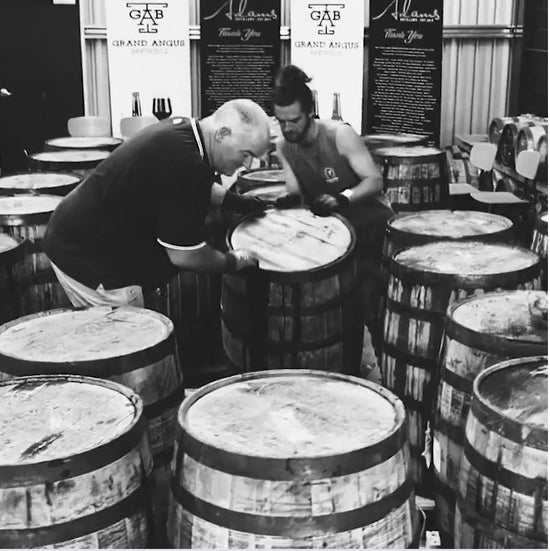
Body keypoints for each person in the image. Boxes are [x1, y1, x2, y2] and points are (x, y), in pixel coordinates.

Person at [44, 98, 271, 308]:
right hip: (89, 259)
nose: (248, 165)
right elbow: (185, 255)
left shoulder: (186, 132)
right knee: (129, 335)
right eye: (246, 154)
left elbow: (198, 185)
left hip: (74, 232)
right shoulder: (185, 163)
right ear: (222, 134)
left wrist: (239, 203)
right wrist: (233, 261)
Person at [271, 65, 394, 356]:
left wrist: (343, 198)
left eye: (294, 120)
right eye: (281, 122)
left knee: (370, 303)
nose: (288, 128)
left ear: (310, 112)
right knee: (339, 306)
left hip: (371, 229)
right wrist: (287, 202)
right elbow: (296, 193)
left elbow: (375, 180)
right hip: (336, 236)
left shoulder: (339, 135)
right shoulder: (284, 146)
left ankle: (376, 362)